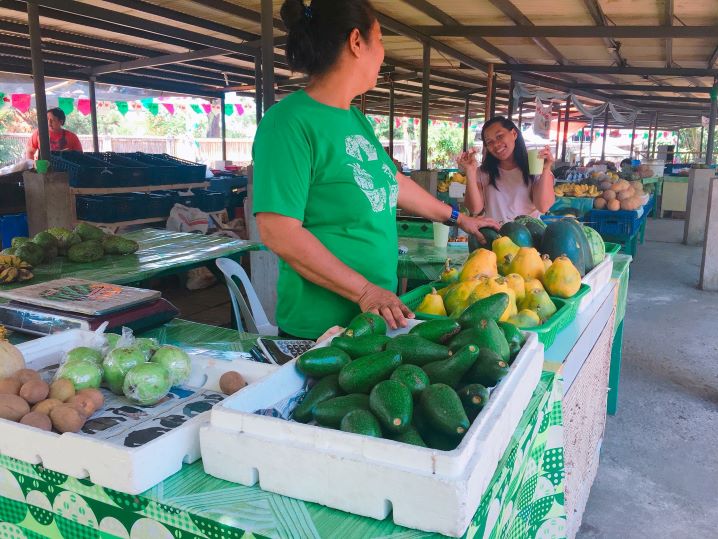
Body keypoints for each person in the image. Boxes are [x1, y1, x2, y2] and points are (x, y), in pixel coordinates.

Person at [252, 0, 499, 340]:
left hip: (376, 318)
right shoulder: (289, 123)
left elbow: (393, 182)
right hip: (322, 330)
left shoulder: (356, 120)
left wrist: (458, 218)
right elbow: (278, 231)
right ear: (357, 42)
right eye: (380, 39)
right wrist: (364, 291)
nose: (382, 52)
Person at [459, 116, 555, 224]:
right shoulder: (483, 173)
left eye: (499, 136)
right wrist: (470, 172)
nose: (495, 144)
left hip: (528, 237)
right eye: (489, 142)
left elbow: (543, 206)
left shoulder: (536, 169)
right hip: (496, 238)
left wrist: (546, 170)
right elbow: (474, 209)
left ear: (514, 134)